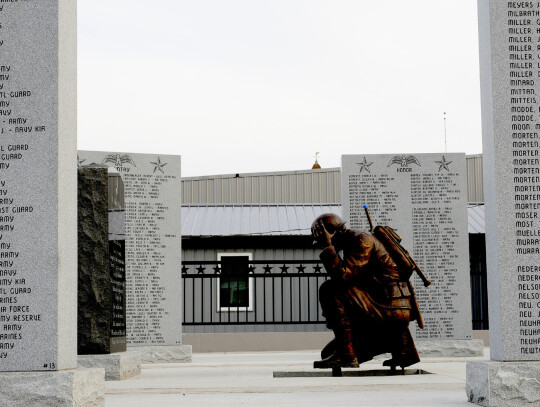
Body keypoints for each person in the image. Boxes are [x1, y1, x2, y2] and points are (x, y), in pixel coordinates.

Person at [311, 213, 421, 369]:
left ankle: (348, 357)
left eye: (323, 238)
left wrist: (328, 247)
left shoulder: (361, 239)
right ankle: (401, 351)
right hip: (385, 304)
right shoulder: (354, 240)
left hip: (387, 306)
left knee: (330, 289)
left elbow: (342, 276)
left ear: (333, 233)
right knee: (328, 352)